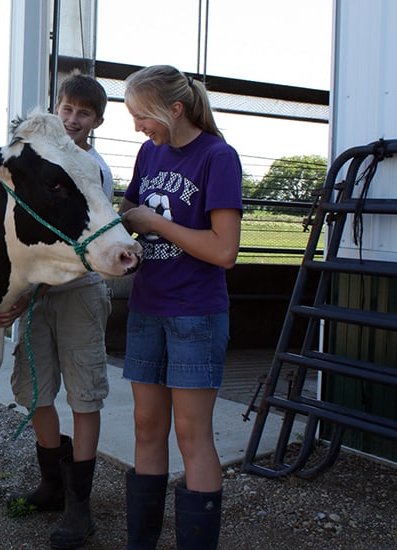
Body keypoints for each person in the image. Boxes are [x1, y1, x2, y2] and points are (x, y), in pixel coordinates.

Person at [118, 65, 242, 550]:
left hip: (196, 312)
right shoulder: (149, 153)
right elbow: (129, 208)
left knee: (192, 434)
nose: (136, 128)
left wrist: (153, 221)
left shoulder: (218, 157)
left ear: (175, 109)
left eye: (141, 116)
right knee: (146, 425)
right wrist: (125, 224)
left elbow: (223, 251)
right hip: (148, 307)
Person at [0, 72, 114, 550]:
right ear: (56, 109)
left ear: (97, 122)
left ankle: (80, 505)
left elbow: (77, 245)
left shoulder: (90, 168)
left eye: (83, 113)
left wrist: (24, 296)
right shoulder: (43, 161)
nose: (72, 119)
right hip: (38, 295)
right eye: (66, 109)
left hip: (79, 293)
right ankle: (51, 482)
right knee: (36, 390)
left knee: (84, 395)